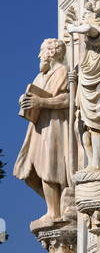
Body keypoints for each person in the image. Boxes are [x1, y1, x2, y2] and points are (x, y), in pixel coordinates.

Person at [14, 39, 70, 227]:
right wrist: (25, 100)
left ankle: (55, 212)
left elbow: (67, 99)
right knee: (37, 167)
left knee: (50, 167)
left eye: (42, 51)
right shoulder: (40, 77)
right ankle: (52, 209)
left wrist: (41, 103)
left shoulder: (62, 72)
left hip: (54, 126)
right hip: (38, 127)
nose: (39, 55)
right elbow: (34, 98)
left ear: (53, 52)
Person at [67, 0, 100, 172]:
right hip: (86, 85)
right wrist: (75, 78)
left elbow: (91, 30)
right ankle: (90, 163)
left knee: (96, 126)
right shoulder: (89, 47)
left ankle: (98, 163)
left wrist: (75, 28)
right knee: (82, 127)